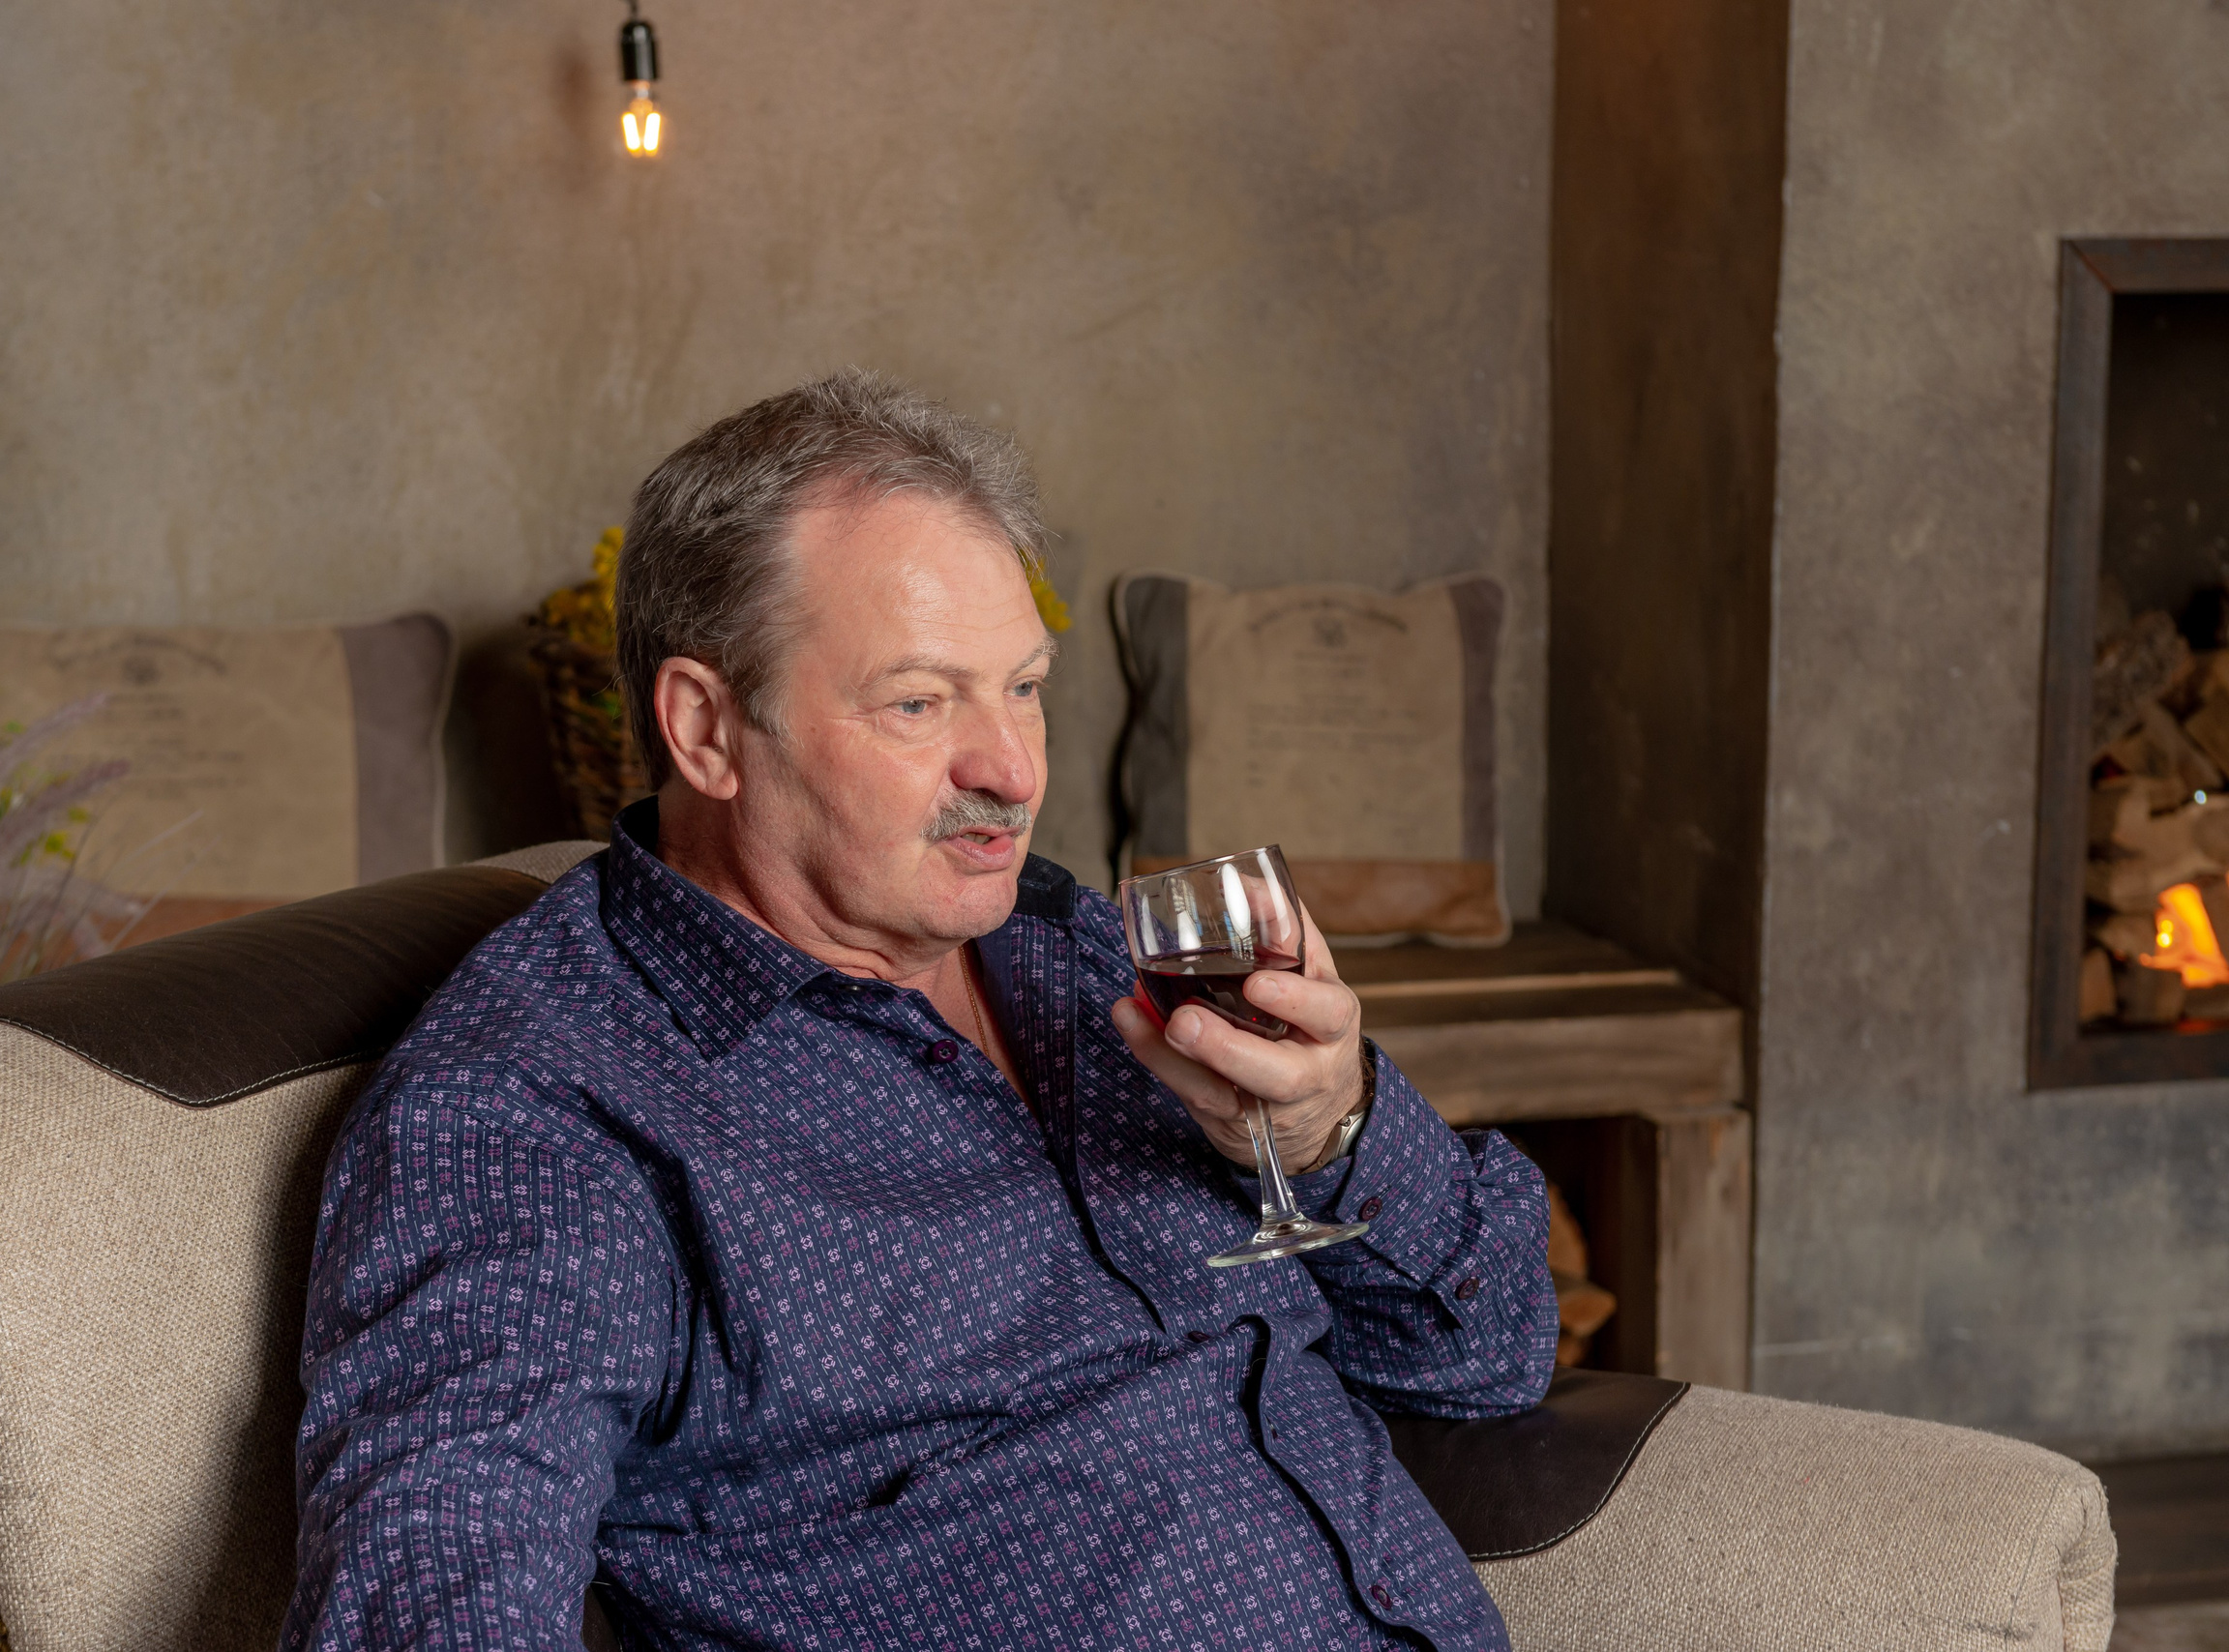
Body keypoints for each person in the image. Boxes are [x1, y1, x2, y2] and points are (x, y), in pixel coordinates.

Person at [283, 369, 1557, 1651]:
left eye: (1024, 687)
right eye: (919, 702)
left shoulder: (1078, 948)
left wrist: (1333, 1136)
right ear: (706, 729)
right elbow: (433, 1587)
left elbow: (1489, 1356)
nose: (1012, 769)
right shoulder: (536, 1110)